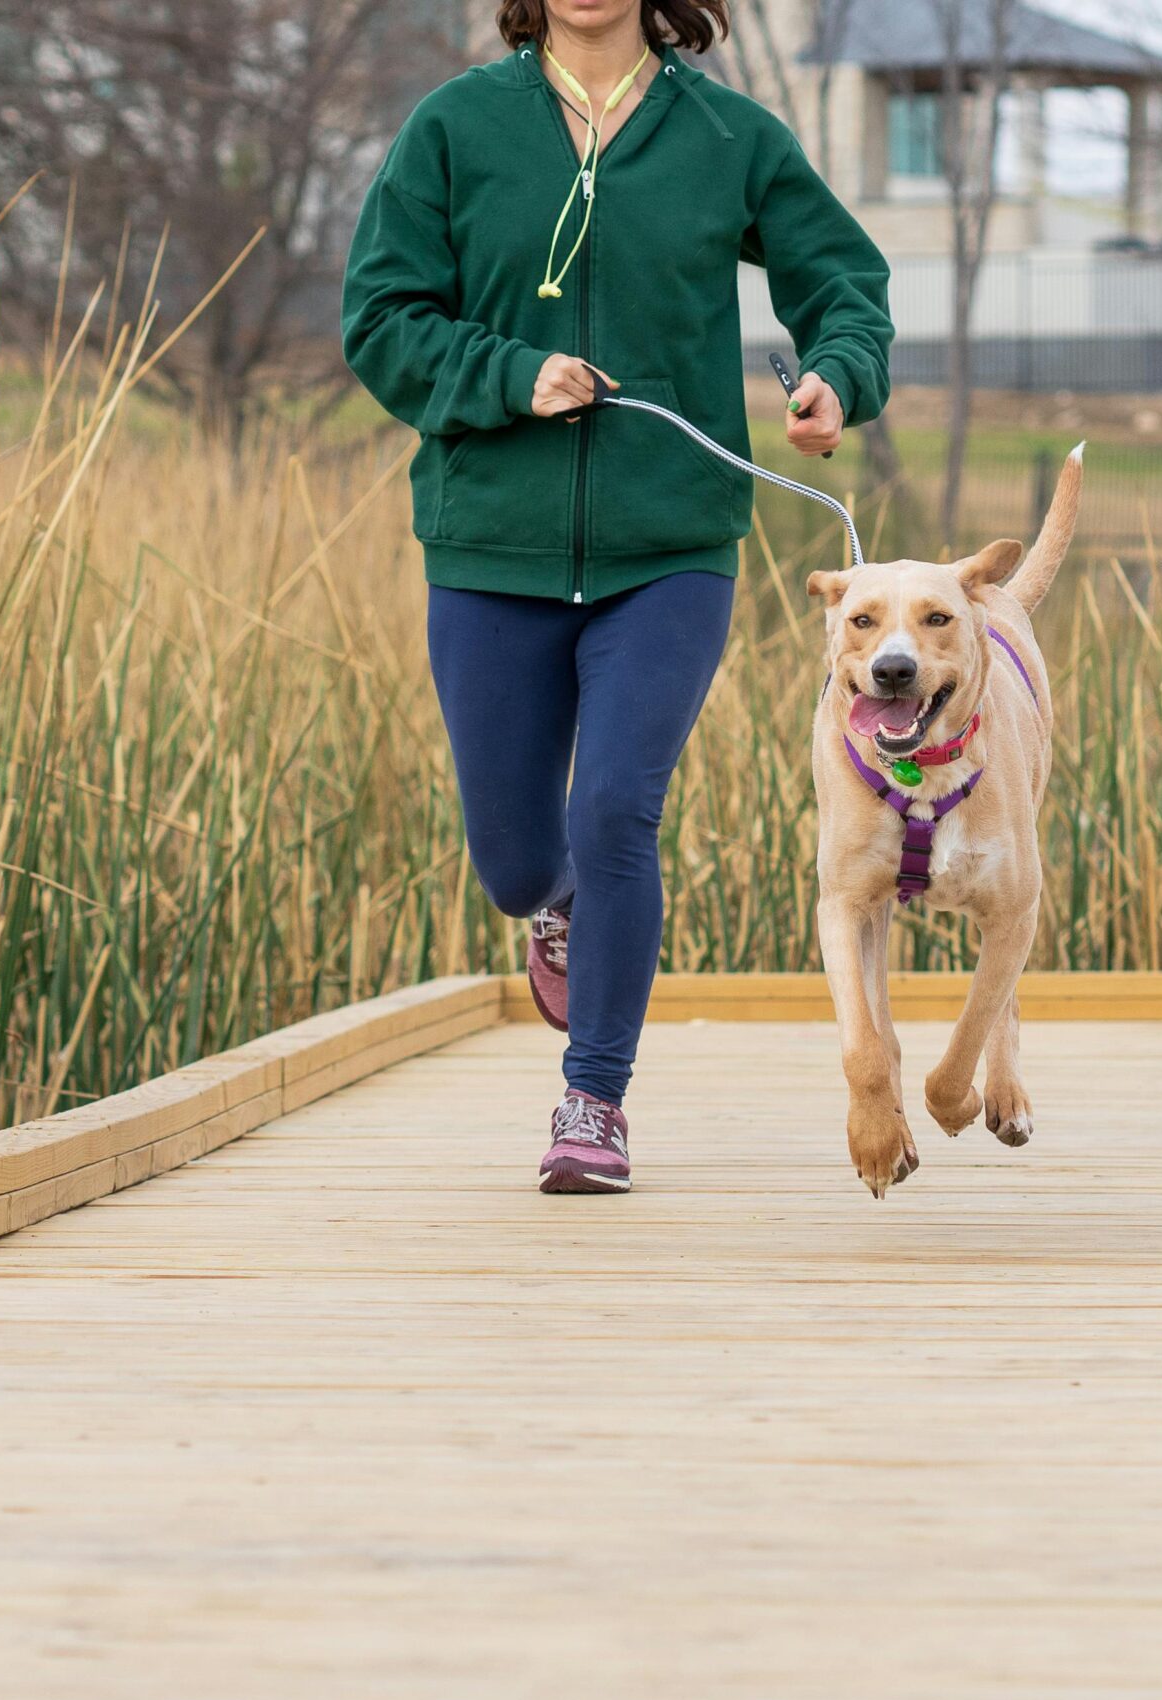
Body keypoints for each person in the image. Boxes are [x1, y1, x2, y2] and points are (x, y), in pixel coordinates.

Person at [341, 0, 892, 1194]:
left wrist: (838, 379)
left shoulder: (729, 138)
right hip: (490, 547)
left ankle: (592, 1102)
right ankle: (554, 907)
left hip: (671, 547)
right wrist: (505, 373)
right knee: (514, 861)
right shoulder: (454, 128)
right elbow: (379, 320)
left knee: (617, 814)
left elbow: (845, 282)